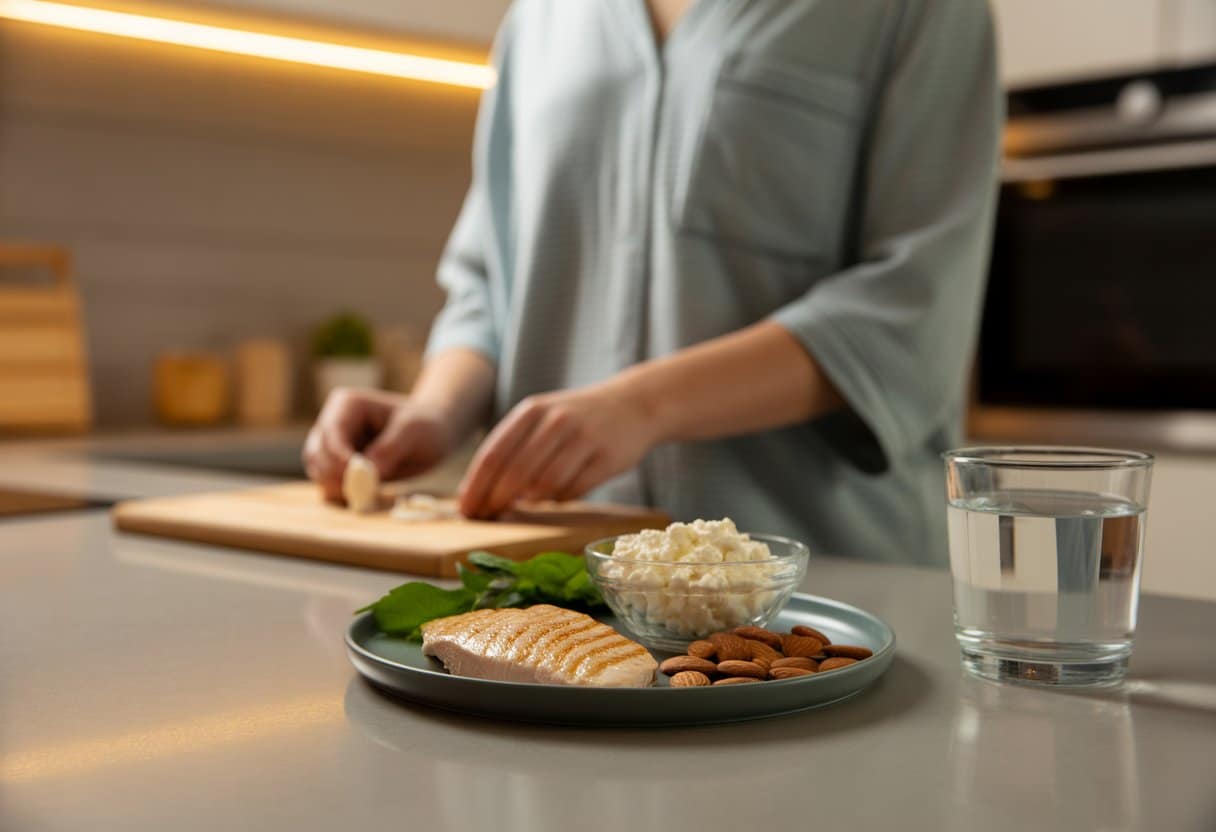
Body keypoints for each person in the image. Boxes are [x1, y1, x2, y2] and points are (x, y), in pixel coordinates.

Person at [304, 0, 1001, 566]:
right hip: (561, 586)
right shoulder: (539, 20)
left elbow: (914, 306)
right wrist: (432, 411)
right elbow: (490, 283)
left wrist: (642, 407)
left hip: (824, 591)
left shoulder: (922, 11)